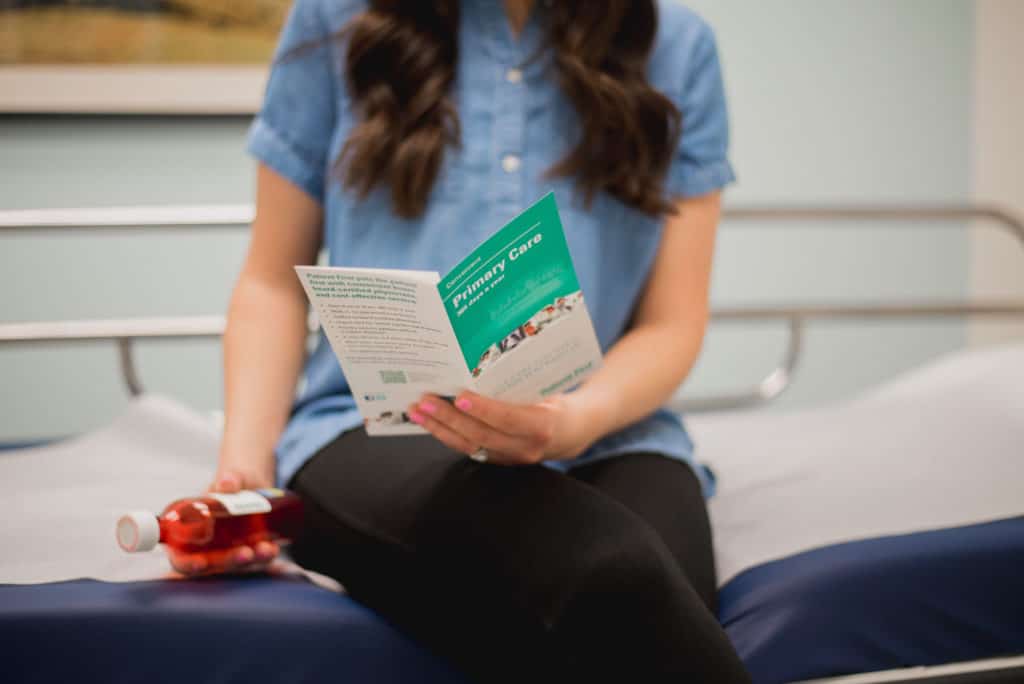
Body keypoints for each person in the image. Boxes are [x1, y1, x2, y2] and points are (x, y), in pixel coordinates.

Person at [173, 0, 750, 681]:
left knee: (658, 596)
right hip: (374, 429)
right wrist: (245, 470)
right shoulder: (334, 19)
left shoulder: (677, 46)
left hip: (608, 429)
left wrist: (575, 419)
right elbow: (272, 283)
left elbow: (672, 323)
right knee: (611, 571)